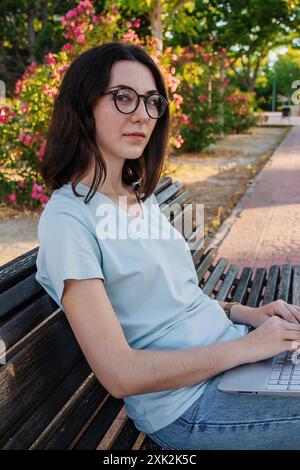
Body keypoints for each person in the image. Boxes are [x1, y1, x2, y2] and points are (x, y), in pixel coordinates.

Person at [35, 41, 300, 450]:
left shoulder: (139, 195)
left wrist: (250, 314)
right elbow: (120, 373)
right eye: (123, 98)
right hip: (189, 407)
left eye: (152, 101)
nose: (143, 114)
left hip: (228, 362)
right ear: (82, 106)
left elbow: (178, 300)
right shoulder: (68, 221)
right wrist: (247, 348)